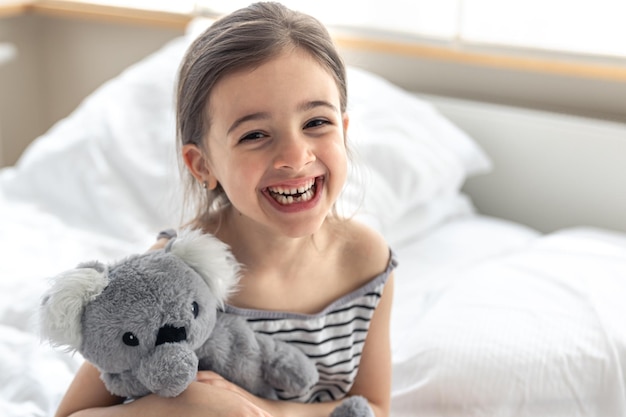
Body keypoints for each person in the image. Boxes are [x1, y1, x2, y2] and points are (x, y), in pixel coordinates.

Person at [54, 2, 395, 417]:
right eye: (254, 134)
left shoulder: (366, 261)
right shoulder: (172, 274)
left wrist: (260, 410)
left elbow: (374, 406)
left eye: (315, 123)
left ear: (343, 130)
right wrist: (175, 406)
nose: (294, 155)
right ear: (204, 165)